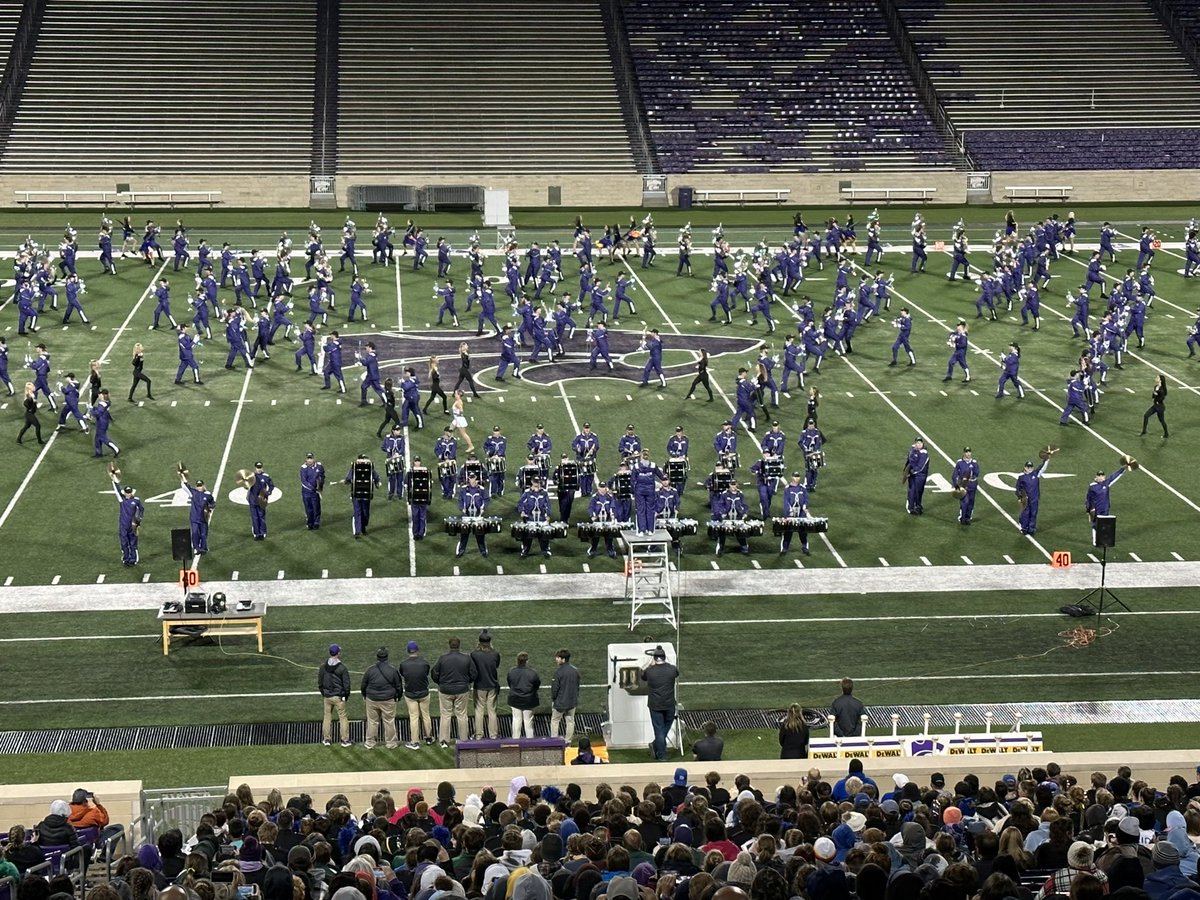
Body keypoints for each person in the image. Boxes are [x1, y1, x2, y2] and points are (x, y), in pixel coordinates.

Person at [432, 637, 476, 747]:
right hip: (462, 690)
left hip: (445, 690)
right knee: (461, 715)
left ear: (449, 645)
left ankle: (444, 741)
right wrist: (467, 682)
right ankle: (464, 739)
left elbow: (434, 673)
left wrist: (441, 683)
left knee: (445, 715)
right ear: (459, 645)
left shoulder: (443, 658)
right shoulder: (466, 658)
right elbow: (474, 674)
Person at [641, 646, 679, 761]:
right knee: (663, 728)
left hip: (655, 705)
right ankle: (659, 748)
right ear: (664, 657)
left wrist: (649, 663)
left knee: (659, 730)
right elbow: (676, 672)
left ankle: (661, 754)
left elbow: (642, 675)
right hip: (669, 704)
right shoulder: (672, 669)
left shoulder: (650, 671)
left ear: (654, 658)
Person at [400, 640, 433, 749]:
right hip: (423, 692)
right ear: (417, 650)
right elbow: (427, 672)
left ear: (408, 651)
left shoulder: (404, 664)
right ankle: (429, 738)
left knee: (414, 717)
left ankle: (415, 742)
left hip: (410, 694)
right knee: (426, 715)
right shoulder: (424, 663)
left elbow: (402, 674)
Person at [318, 644, 352, 747]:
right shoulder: (342, 668)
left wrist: (324, 693)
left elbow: (320, 683)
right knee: (343, 717)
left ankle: (327, 739)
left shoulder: (323, 667)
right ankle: (345, 740)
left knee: (327, 717)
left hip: (327, 696)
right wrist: (345, 696)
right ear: (338, 653)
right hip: (338, 697)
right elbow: (347, 685)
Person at [470, 630, 501, 739]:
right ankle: (493, 734)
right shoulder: (495, 654)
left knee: (479, 710)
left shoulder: (474, 654)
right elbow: (496, 665)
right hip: (492, 685)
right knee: (492, 711)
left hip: (479, 686)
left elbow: (472, 669)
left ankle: (479, 734)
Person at [343, 452, 381, 538]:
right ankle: (357, 531)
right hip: (356, 494)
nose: (364, 461)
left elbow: (376, 477)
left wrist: (378, 483)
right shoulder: (354, 469)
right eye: (362, 459)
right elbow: (348, 479)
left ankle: (363, 527)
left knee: (365, 513)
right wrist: (346, 481)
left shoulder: (370, 469)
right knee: (357, 512)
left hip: (366, 495)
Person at [110, 472, 143, 567]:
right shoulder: (122, 500)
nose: (128, 494)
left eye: (129, 493)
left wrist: (139, 519)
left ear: (131, 492)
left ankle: (133, 559)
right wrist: (114, 480)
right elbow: (117, 490)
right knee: (124, 543)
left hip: (132, 525)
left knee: (133, 543)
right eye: (127, 493)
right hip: (123, 525)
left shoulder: (136, 500)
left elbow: (141, 509)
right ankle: (126, 558)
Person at [455, 470, 490, 558]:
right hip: (466, 514)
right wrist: (461, 508)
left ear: (476, 478)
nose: (472, 480)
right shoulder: (464, 489)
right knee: (464, 534)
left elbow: (486, 499)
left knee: (480, 534)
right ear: (468, 479)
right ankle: (461, 550)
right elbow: (460, 500)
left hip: (477, 514)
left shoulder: (481, 489)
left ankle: (483, 551)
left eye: (473, 478)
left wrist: (483, 508)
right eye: (470, 478)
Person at [506, 651, 541, 738]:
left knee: (516, 720)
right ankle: (529, 743)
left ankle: (515, 741)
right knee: (528, 721)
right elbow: (537, 685)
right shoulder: (533, 673)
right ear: (527, 661)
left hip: (515, 699)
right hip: (529, 700)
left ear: (517, 661)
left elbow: (510, 684)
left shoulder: (511, 672)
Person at [179, 473, 216, 555]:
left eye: (200, 485)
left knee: (203, 534)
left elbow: (213, 503)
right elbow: (184, 486)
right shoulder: (193, 492)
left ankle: (204, 548)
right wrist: (183, 478)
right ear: (196, 486)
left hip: (203, 518)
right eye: (198, 485)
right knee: (195, 533)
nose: (199, 487)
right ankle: (197, 548)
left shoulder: (208, 495)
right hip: (194, 518)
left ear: (203, 486)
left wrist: (209, 508)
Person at [550, 648, 580, 744]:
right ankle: (568, 741)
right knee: (570, 721)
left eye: (558, 658)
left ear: (563, 659)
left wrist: (554, 699)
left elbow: (555, 689)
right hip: (572, 701)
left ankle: (554, 741)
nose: (556, 660)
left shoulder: (558, 672)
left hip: (560, 702)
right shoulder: (575, 671)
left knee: (555, 720)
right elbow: (577, 686)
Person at [1086, 465, 1129, 530]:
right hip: (1096, 509)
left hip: (1105, 509)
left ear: (1104, 477)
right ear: (1096, 477)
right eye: (1099, 476)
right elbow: (1088, 498)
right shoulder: (1092, 486)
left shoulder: (1106, 483)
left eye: (1102, 476)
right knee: (1095, 526)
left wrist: (1123, 468)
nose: (1101, 477)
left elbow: (1114, 476)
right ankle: (1095, 540)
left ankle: (1102, 540)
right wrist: (1088, 509)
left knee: (1104, 525)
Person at [1015, 457, 1051, 536]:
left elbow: (1042, 467)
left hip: (1034, 499)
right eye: (1028, 467)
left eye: (1031, 467)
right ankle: (1024, 528)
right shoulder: (1021, 477)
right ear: (1025, 467)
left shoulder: (1036, 474)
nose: (1029, 468)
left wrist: (1047, 459)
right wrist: (1020, 497)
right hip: (1026, 500)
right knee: (1025, 513)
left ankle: (1031, 529)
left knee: (1033, 514)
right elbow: (1018, 488)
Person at [952, 447, 980, 526]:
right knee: (965, 502)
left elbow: (976, 473)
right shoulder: (959, 463)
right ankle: (962, 518)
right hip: (963, 487)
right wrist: (956, 485)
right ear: (963, 453)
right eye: (966, 452)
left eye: (969, 452)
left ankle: (968, 518)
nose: (968, 453)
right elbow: (955, 475)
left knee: (971, 502)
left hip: (972, 486)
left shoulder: (974, 463)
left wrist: (970, 477)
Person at [247, 462, 273, 540]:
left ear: (262, 468)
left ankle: (262, 533)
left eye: (260, 467)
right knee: (255, 518)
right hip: (253, 500)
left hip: (262, 500)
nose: (259, 469)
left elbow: (271, 485)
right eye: (257, 467)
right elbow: (246, 485)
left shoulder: (265, 476)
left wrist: (268, 493)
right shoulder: (251, 476)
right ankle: (257, 534)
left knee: (261, 517)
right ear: (255, 468)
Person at [299, 452, 325, 530]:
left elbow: (322, 476)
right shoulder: (303, 468)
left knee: (316, 507)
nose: (310, 460)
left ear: (314, 459)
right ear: (306, 459)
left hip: (315, 492)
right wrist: (313, 488)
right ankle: (310, 523)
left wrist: (320, 486)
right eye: (308, 458)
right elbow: (304, 481)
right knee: (308, 508)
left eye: (311, 458)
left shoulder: (319, 466)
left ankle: (316, 522)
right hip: (306, 492)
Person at [904, 437, 929, 516]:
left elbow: (921, 467)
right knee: (912, 491)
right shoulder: (912, 451)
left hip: (920, 476)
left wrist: (911, 472)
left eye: (920, 443)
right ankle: (911, 507)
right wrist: (905, 471)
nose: (919, 444)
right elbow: (909, 462)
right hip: (913, 476)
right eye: (917, 443)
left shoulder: (924, 454)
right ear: (915, 443)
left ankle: (917, 506)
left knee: (919, 492)